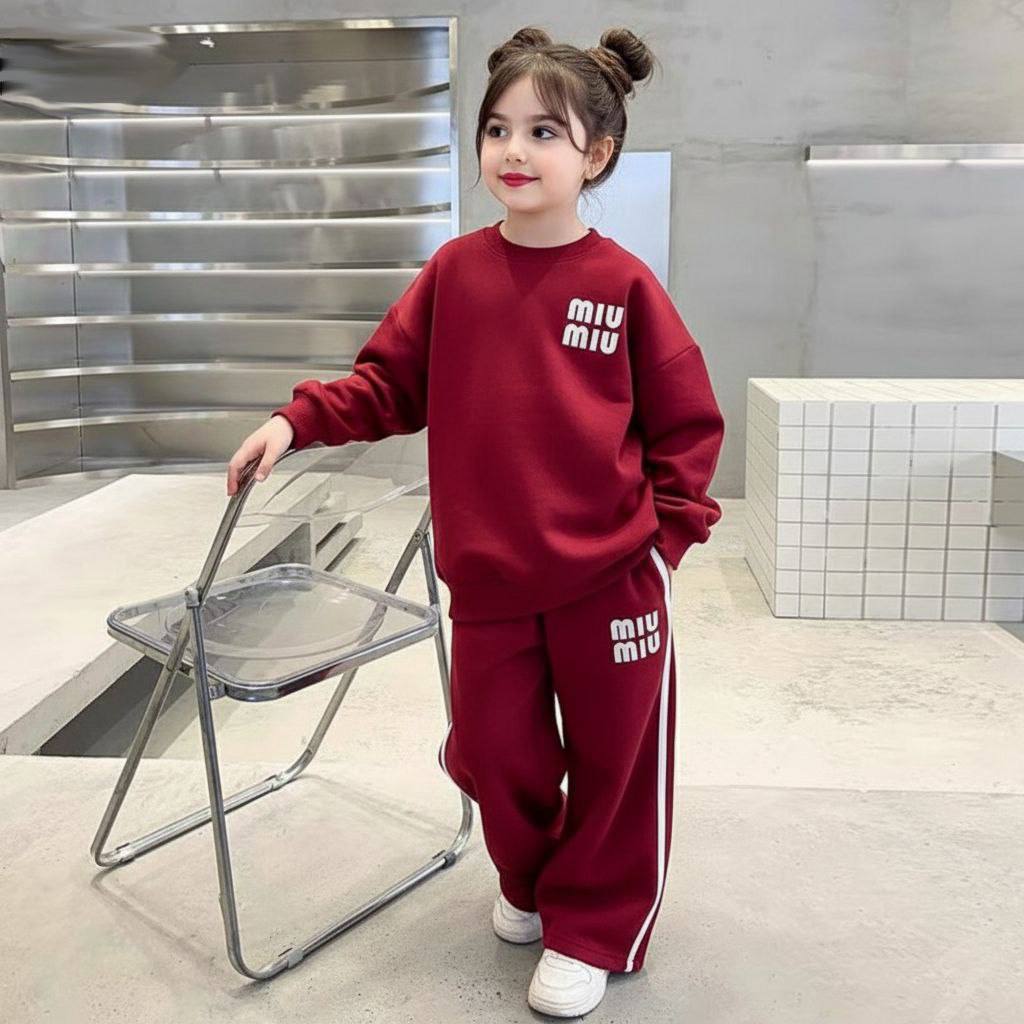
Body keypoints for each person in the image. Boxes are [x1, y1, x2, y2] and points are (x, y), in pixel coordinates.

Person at [226, 25, 725, 1019]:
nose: (513, 150)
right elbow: (385, 384)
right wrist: (294, 420)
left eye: (544, 131)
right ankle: (532, 878)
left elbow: (686, 426)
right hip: (492, 581)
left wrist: (663, 545)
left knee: (618, 765)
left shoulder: (623, 285)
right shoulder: (454, 273)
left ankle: (593, 928)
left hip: (612, 582)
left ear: (596, 154)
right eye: (497, 128)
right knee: (495, 753)